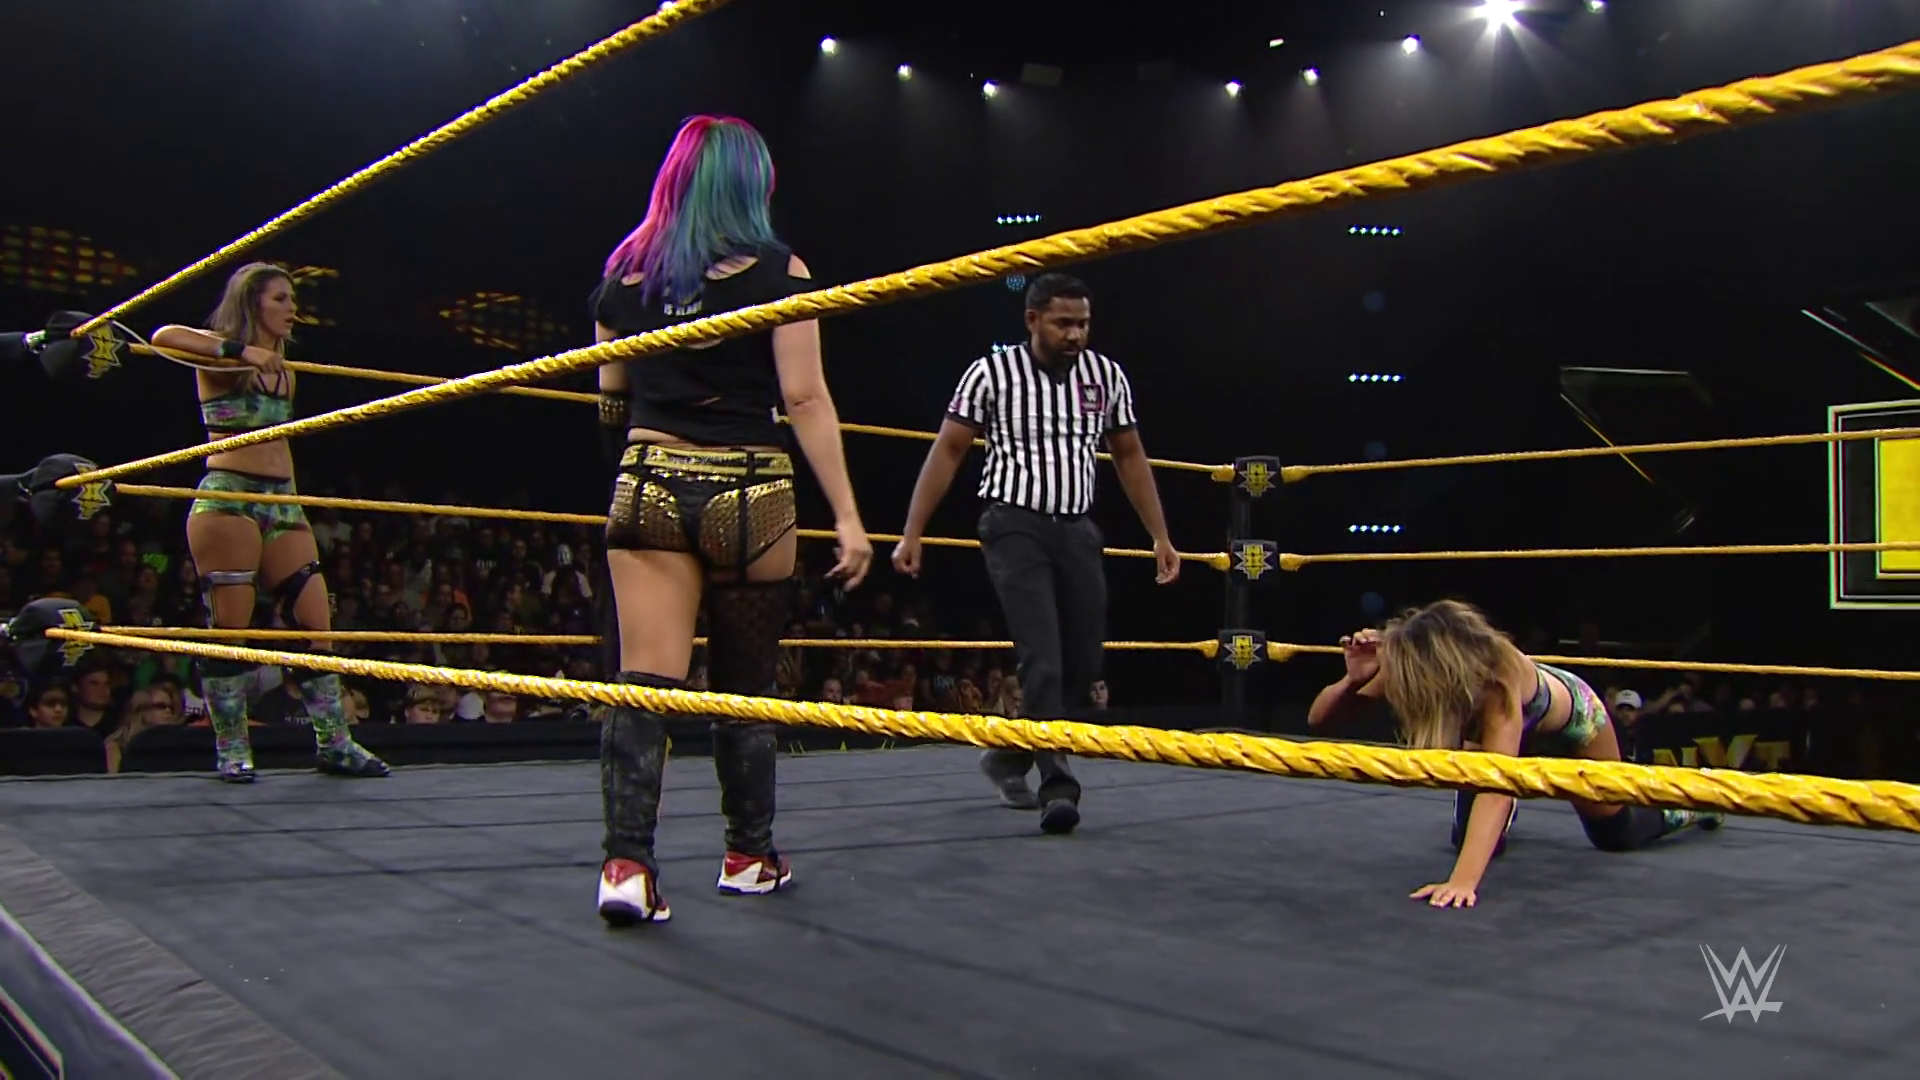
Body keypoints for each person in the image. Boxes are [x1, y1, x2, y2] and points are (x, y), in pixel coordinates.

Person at [589, 115, 873, 925]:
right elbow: (805, 397)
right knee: (745, 687)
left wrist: (632, 474)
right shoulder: (783, 270)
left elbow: (610, 399)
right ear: (754, 185)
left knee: (645, 683)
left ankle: (626, 867)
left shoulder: (626, 275)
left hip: (651, 479)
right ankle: (748, 856)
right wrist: (848, 515)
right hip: (750, 489)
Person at [892, 273, 1180, 835]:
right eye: (1063, 323)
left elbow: (1129, 455)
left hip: (1077, 529)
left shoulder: (1106, 375)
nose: (1075, 334)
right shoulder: (990, 374)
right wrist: (912, 531)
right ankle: (1058, 787)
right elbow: (949, 449)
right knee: (1042, 656)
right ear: (1032, 320)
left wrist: (1160, 536)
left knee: (1084, 661)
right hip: (1013, 524)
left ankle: (1007, 756)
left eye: (1083, 324)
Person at [1306, 600, 1721, 909]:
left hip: (1574, 724)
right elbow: (1320, 721)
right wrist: (1351, 680)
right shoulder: (1412, 665)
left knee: (1616, 834)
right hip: (1505, 737)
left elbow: (1497, 785)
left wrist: (1462, 882)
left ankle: (1695, 800)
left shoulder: (1496, 682)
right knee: (1467, 837)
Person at [151, 262, 388, 783]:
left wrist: (293, 502)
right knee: (232, 631)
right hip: (230, 497)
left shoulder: (285, 369)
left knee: (317, 624)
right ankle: (233, 748)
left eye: (293, 299)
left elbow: (279, 443)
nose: (292, 309)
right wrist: (242, 351)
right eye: (281, 298)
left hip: (282, 500)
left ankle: (335, 743)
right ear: (253, 301)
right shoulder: (222, 358)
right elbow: (163, 336)